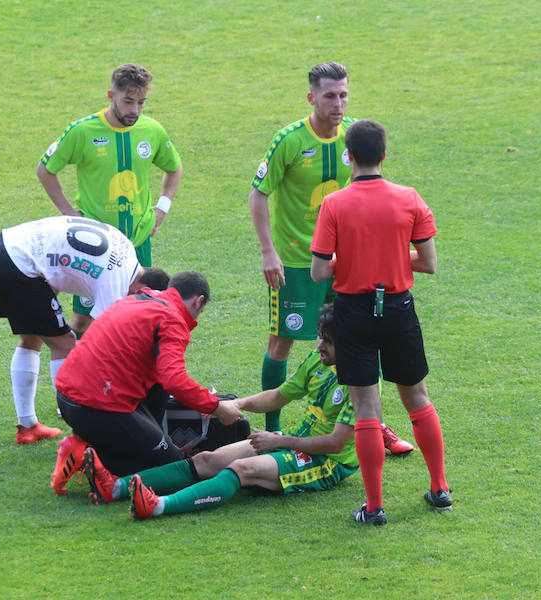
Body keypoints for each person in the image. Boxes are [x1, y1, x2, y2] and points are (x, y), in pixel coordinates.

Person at [247, 62, 408, 453]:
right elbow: (259, 194)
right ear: (312, 97)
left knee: (359, 339)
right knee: (282, 342)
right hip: (297, 261)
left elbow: (373, 192)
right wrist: (268, 251)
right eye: (330, 96)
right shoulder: (288, 140)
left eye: (344, 95)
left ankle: (371, 423)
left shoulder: (355, 138)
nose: (338, 103)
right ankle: (272, 430)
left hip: (347, 260)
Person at [81, 305, 360, 520]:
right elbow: (278, 396)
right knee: (206, 459)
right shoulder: (318, 361)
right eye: (320, 337)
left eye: (328, 341)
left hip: (327, 461)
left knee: (241, 469)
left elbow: (336, 443)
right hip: (297, 442)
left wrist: (279, 441)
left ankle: (157, 506)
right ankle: (114, 488)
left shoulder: (360, 385)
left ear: (348, 343)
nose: (319, 345)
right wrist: (236, 405)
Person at [310, 119, 450, 526]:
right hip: (398, 309)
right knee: (417, 398)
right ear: (384, 155)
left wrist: (355, 260)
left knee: (367, 407)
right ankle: (440, 489)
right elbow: (429, 263)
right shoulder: (409, 198)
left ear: (349, 156)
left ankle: (374, 508)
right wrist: (389, 257)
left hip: (353, 313)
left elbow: (319, 272)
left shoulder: (334, 204)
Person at [0, 215, 169, 444]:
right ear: (143, 291)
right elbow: (106, 341)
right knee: (65, 343)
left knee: (32, 338)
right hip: (17, 263)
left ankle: (27, 426)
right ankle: (79, 428)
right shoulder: (117, 283)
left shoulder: (126, 250)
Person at [51, 271, 243, 491]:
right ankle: (92, 457)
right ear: (198, 301)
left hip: (69, 398)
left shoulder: (139, 299)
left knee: (158, 380)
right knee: (175, 470)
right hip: (97, 406)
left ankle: (90, 447)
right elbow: (175, 380)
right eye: (201, 310)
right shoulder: (171, 319)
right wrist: (216, 406)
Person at [37, 63, 183, 340]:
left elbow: (174, 167)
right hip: (96, 248)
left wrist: (162, 209)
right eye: (128, 101)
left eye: (141, 102)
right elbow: (45, 169)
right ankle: (76, 367)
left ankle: (130, 368)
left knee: (141, 314)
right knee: (84, 319)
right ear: (111, 95)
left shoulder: (152, 130)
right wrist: (69, 214)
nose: (135, 110)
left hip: (138, 240)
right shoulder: (82, 131)